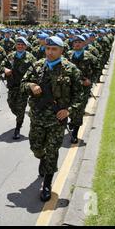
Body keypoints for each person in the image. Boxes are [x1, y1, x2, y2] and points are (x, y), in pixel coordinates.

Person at [21, 36, 83, 202]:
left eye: (54, 49)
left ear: (61, 51)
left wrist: (68, 111)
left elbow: (79, 96)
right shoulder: (37, 66)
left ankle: (47, 184)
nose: (50, 52)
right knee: (36, 148)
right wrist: (31, 86)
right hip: (37, 117)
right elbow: (23, 83)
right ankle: (41, 158)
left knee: (52, 151)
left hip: (56, 120)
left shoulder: (71, 70)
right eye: (48, 48)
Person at [66, 35, 100, 143]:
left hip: (83, 88)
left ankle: (75, 133)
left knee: (79, 109)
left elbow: (97, 68)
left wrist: (91, 80)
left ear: (84, 43)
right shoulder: (68, 55)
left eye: (79, 42)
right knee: (70, 106)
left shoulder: (89, 56)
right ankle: (72, 120)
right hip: (69, 86)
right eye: (75, 42)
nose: (77, 44)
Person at [1, 37, 36, 140]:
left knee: (20, 109)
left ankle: (17, 128)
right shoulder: (10, 56)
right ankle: (19, 117)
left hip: (23, 87)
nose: (20, 46)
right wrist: (5, 69)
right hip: (12, 86)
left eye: (22, 45)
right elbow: (1, 66)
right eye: (18, 44)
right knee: (11, 104)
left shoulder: (30, 58)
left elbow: (36, 71)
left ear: (25, 46)